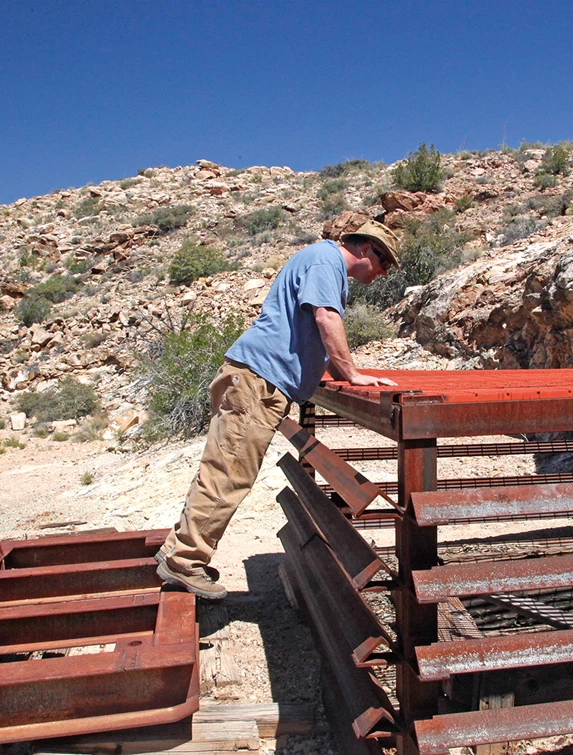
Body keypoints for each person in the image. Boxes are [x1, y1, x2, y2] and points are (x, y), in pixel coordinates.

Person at [155, 220, 401, 598]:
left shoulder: (322, 262)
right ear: (367, 249)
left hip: (253, 379)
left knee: (222, 466)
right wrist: (352, 374)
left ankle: (179, 549)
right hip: (259, 383)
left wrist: (345, 373)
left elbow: (315, 330)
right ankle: (185, 561)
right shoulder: (326, 262)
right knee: (230, 472)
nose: (383, 273)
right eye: (384, 263)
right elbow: (325, 318)